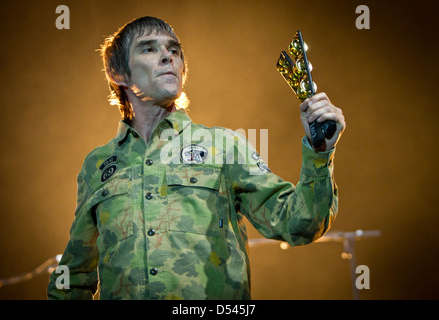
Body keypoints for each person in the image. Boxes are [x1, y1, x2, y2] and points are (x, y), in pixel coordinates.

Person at [47, 16, 345, 300]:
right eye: (149, 48)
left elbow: (299, 224)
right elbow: (72, 278)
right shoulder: (97, 165)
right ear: (118, 74)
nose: (168, 57)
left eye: (174, 50)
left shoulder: (224, 146)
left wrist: (320, 154)